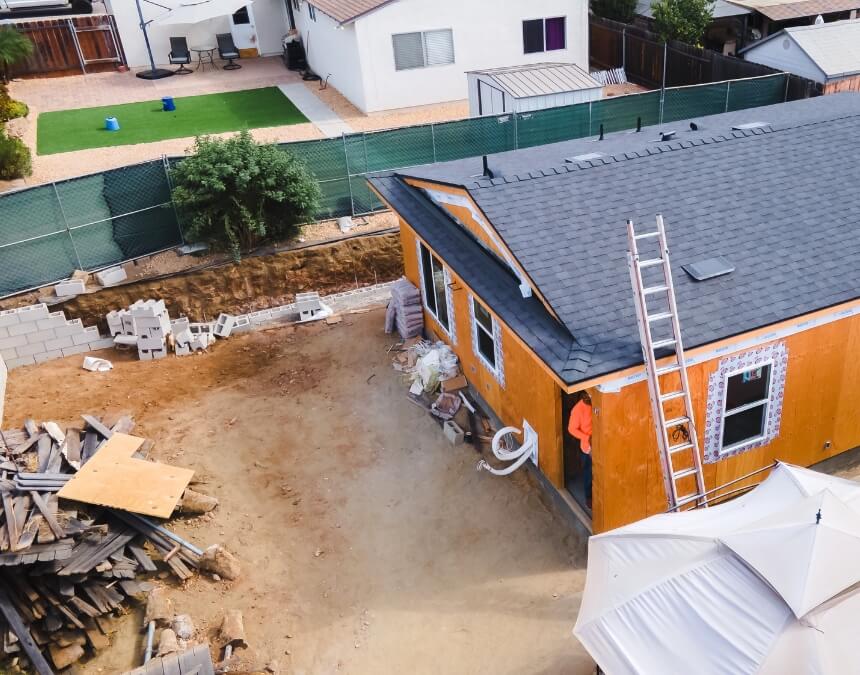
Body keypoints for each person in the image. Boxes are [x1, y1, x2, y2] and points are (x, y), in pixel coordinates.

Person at [568, 391, 593, 509]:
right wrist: (586, 438)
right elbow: (571, 429)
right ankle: (589, 497)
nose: (589, 397)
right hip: (587, 447)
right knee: (589, 472)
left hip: (601, 443)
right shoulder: (578, 409)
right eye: (588, 395)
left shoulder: (598, 403)